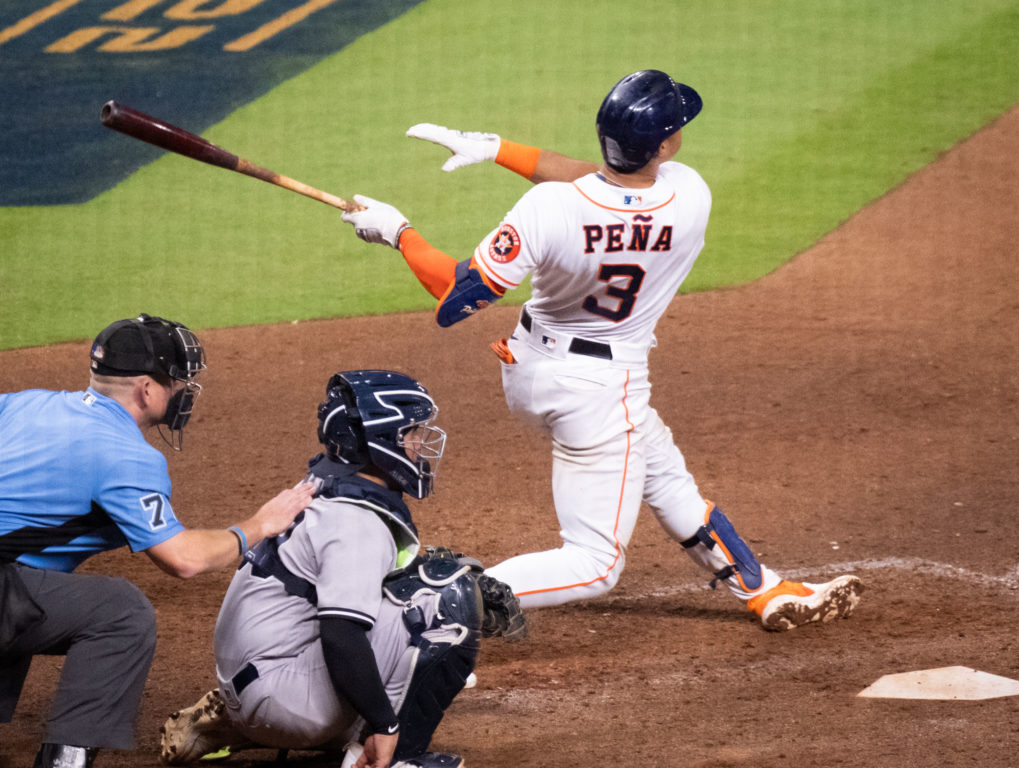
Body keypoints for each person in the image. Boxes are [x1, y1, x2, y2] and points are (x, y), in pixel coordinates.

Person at [339, 70, 864, 630]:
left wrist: (400, 234)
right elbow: (606, 183)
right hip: (599, 391)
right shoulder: (689, 194)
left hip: (533, 369)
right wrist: (495, 149)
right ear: (661, 146)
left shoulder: (548, 208)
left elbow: (457, 298)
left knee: (662, 474)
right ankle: (428, 603)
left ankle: (761, 589)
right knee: (595, 564)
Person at [159, 369, 524, 768]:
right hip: (280, 695)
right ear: (380, 443)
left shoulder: (327, 484)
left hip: (256, 677)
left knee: (413, 582)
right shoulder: (356, 522)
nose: (421, 443)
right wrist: (385, 725)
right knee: (445, 601)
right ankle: (392, 758)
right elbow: (341, 634)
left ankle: (240, 724)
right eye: (412, 432)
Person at [0, 313, 315, 768]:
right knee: (120, 611)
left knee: (26, 585)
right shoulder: (126, 454)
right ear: (147, 390)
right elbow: (183, 559)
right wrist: (258, 526)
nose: (183, 391)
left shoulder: (25, 404)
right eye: (177, 382)